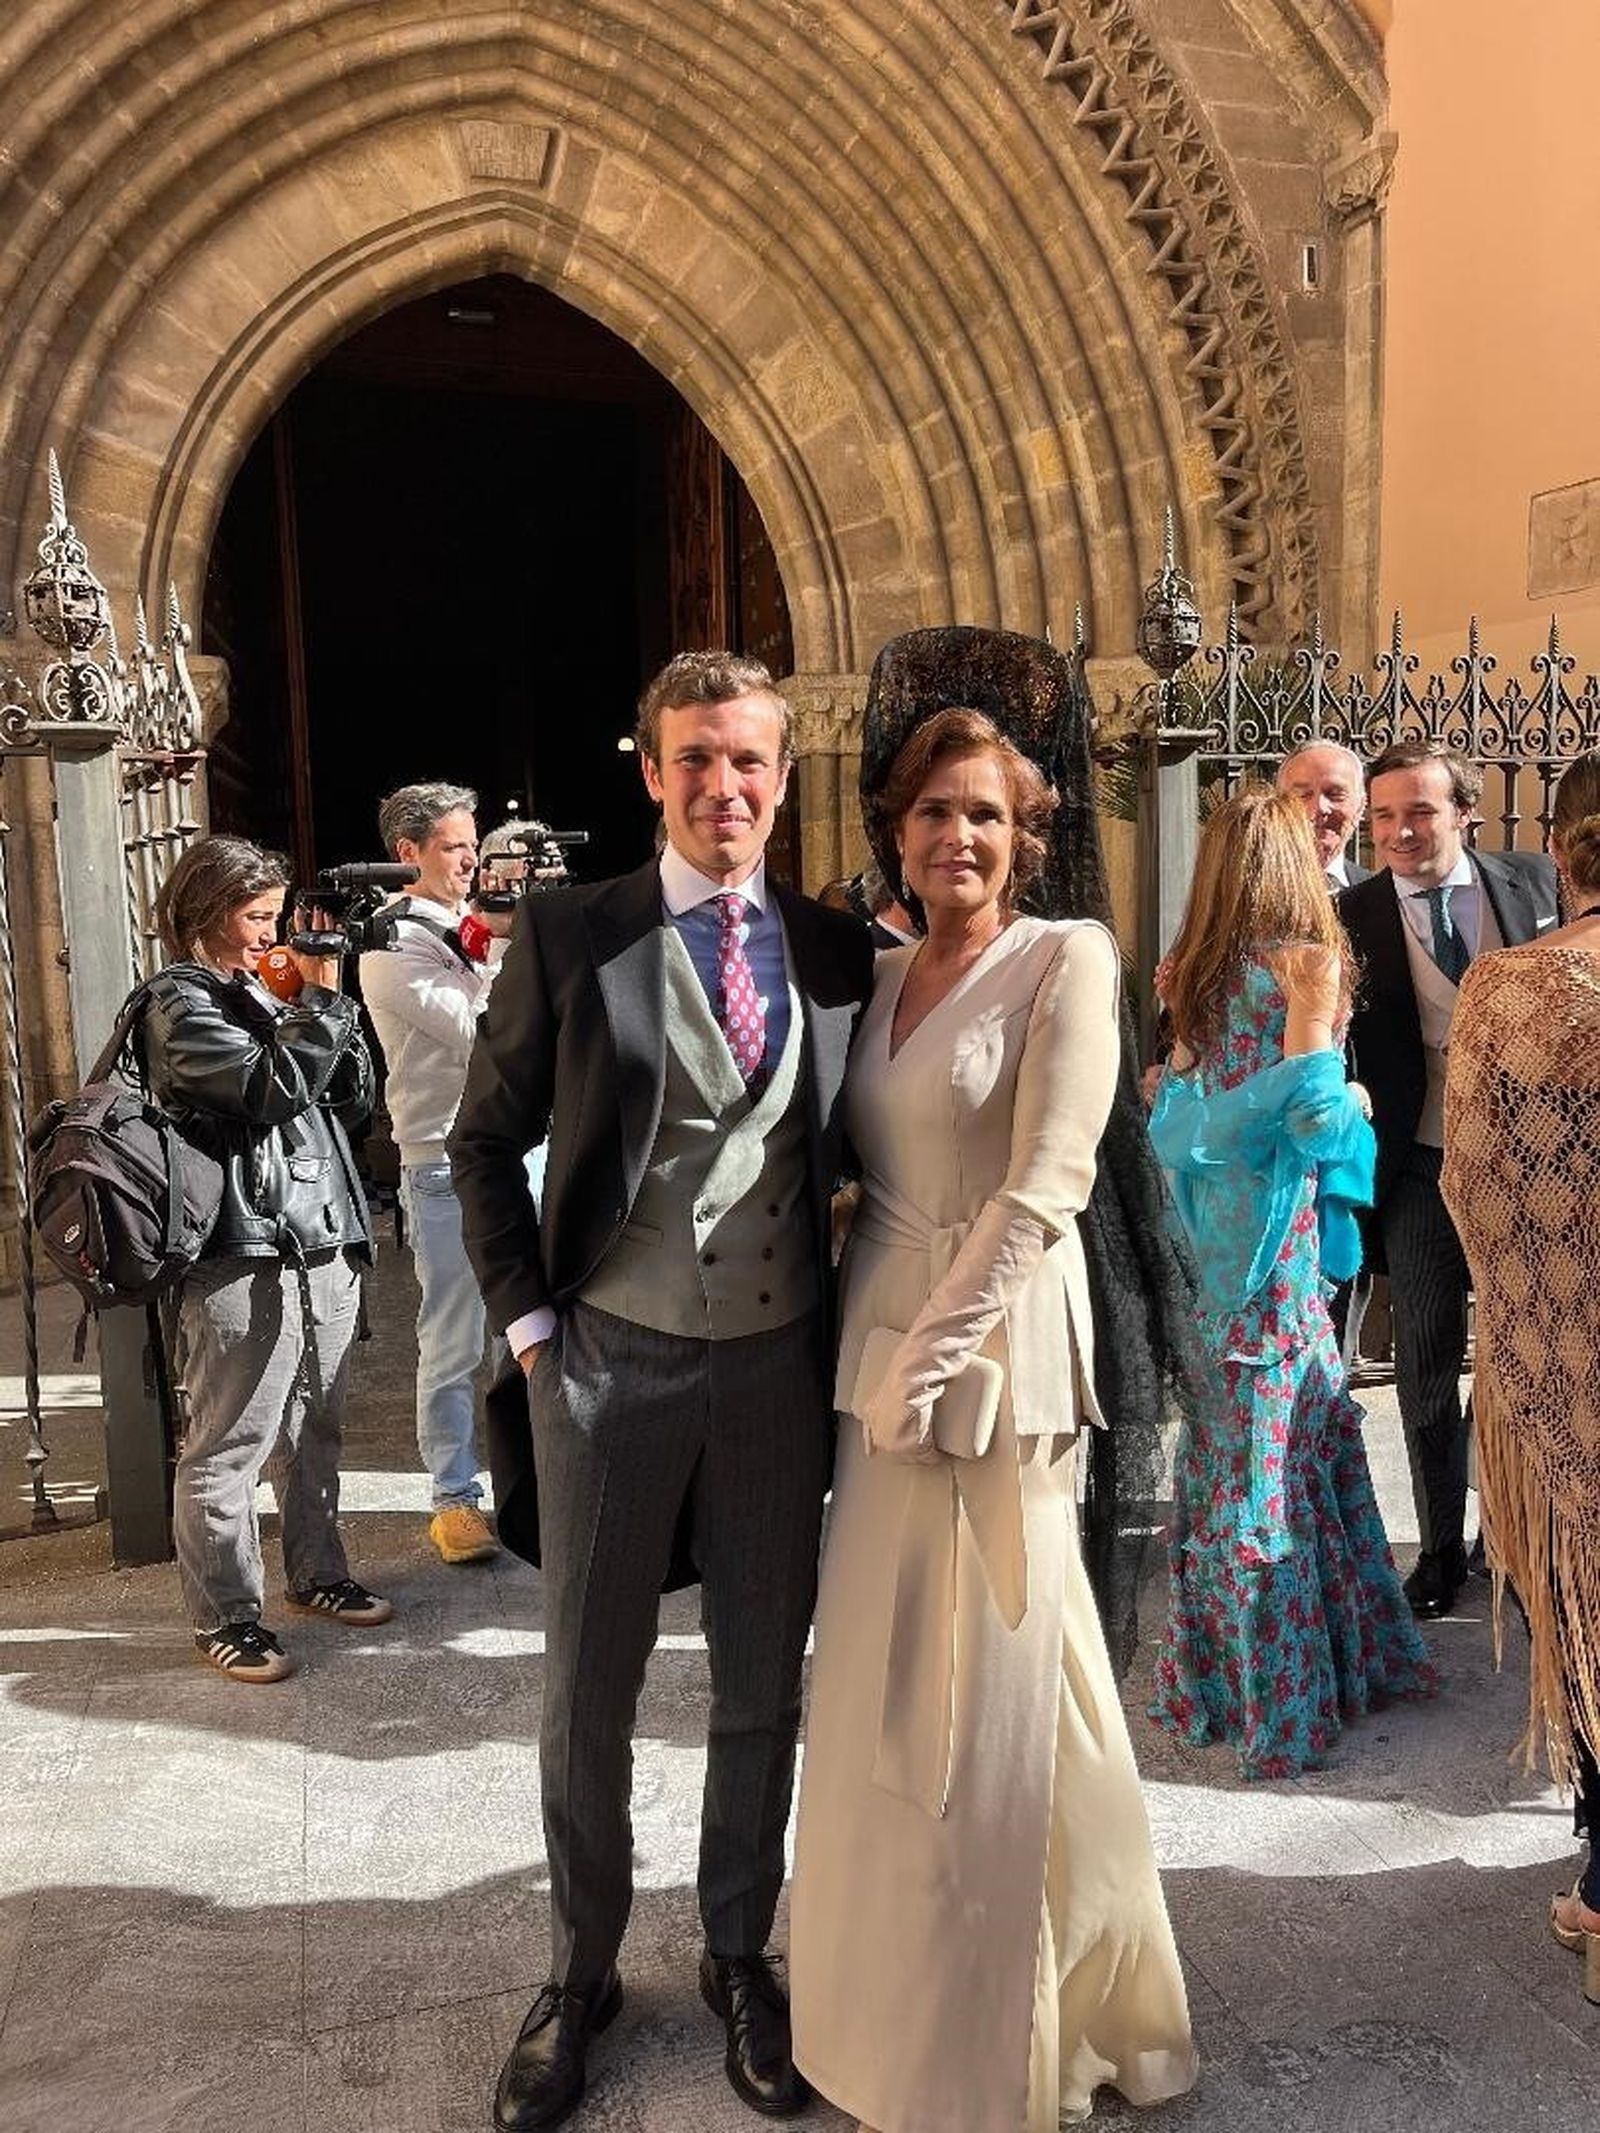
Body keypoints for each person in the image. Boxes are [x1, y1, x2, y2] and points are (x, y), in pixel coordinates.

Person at [448, 651, 873, 2132]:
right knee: (587, 1695)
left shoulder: (834, 950)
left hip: (776, 1371)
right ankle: (580, 1975)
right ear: (650, 771)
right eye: (694, 760)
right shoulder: (574, 934)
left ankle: (740, 1955)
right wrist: (527, 1328)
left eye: (747, 760)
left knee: (763, 1682)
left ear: (783, 769)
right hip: (607, 1369)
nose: (723, 787)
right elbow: (476, 1140)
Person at [790, 707, 1196, 2133]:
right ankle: (890, 2007)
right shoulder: (883, 972)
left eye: (987, 816)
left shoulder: (1069, 958)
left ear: (1028, 838)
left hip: (999, 1364)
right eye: (931, 812)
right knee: (898, 1700)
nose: (956, 837)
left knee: (982, 1712)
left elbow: (1047, 1186)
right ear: (892, 829)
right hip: (874, 1352)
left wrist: (929, 1362)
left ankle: (984, 2049)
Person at [1148, 788, 1434, 1778]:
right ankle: (1291, 1698)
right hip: (1274, 1266)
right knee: (1283, 1468)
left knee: (1240, 1470)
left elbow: (1174, 1129)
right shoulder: (1305, 968)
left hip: (1213, 1258)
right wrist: (1345, 1095)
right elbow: (1317, 1128)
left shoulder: (1186, 972)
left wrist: (1241, 1104)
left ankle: (1216, 1684)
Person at [140, 835, 389, 1683]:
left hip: (319, 1237)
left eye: (275, 916)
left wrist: (331, 997)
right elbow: (264, 1090)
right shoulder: (180, 1003)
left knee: (315, 1427)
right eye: (254, 916)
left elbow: (349, 1102)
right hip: (241, 1248)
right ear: (204, 914)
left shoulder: (266, 989)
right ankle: (226, 1615)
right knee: (230, 1443)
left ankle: (317, 1572)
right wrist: (314, 1009)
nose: (269, 932)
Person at [1443, 750, 1600, 2004]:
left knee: (1586, 1586)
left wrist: (1538, 1293)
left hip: (1568, 1349)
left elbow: (1473, 1184)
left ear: (1559, 852)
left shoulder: (1510, 988)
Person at [1339, 742, 1559, 1617]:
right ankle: (1437, 1550)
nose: (1398, 830)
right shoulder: (1350, 911)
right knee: (1425, 1365)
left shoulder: (1534, 883)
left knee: (1524, 1361)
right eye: (1383, 815)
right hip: (1420, 1165)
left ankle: (1510, 1537)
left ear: (1463, 811)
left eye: (1418, 812)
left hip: (1529, 1162)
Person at [361, 781, 509, 1566]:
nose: (471, 859)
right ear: (408, 853)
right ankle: (455, 1499)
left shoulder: (485, 929)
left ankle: (538, 1479)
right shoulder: (389, 948)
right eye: (455, 845)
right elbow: (481, 1032)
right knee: (454, 1338)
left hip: (522, 1151)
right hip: (443, 1161)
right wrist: (508, 948)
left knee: (538, 1325)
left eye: (473, 842)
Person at [1276, 740, 1371, 890]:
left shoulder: (1382, 896)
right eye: (1302, 795)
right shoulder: (1245, 891)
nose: (1320, 807)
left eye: (1335, 795)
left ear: (1360, 806)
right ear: (1279, 808)